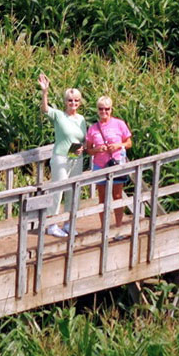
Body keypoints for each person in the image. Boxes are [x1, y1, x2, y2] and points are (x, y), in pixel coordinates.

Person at [38, 73, 87, 237]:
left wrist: (84, 147)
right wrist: (45, 92)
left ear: (79, 102)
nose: (73, 103)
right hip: (60, 156)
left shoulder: (81, 119)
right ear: (65, 102)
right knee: (57, 189)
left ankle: (68, 223)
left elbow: (84, 139)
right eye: (70, 100)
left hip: (75, 156)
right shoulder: (59, 115)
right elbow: (45, 110)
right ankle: (51, 224)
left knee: (73, 191)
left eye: (76, 100)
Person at [85, 96, 132, 234]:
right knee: (102, 198)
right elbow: (88, 149)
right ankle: (104, 228)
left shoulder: (119, 124)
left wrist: (118, 145)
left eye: (107, 109)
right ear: (97, 110)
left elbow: (129, 143)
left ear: (111, 109)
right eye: (101, 109)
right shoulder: (93, 128)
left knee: (117, 196)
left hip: (116, 163)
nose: (104, 111)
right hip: (100, 164)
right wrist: (97, 150)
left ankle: (118, 227)